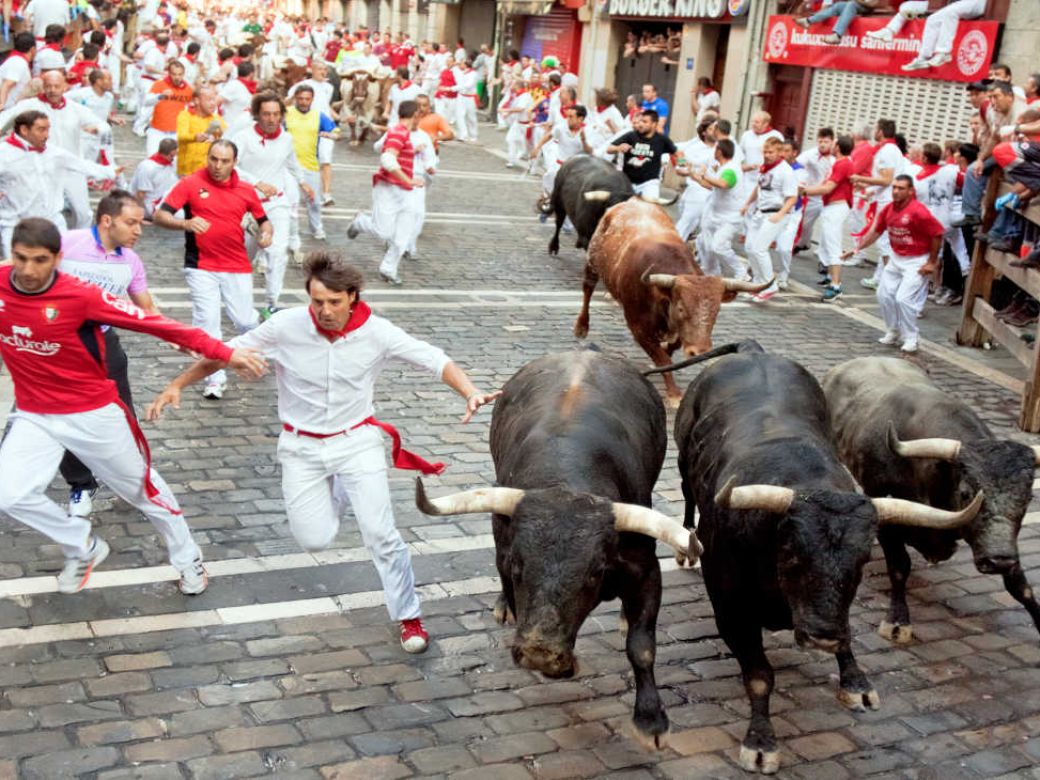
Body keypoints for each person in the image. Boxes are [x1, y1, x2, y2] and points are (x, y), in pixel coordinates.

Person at [147, 253, 498, 649]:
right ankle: (339, 492)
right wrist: (178, 384)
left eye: (334, 302)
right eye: (317, 302)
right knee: (313, 539)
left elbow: (434, 359)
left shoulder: (378, 332)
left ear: (352, 297)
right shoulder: (284, 326)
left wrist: (469, 391)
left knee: (381, 535)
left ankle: (409, 616)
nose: (325, 311)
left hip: (357, 442)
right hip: (300, 447)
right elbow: (226, 353)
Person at [0, 216, 264, 594]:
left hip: (91, 413)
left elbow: (157, 324)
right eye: (21, 258)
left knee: (143, 491)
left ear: (57, 259)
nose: (28, 270)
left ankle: (188, 559)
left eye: (39, 260)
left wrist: (224, 352)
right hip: (34, 414)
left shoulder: (81, 296)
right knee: (9, 494)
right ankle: (82, 545)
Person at [55, 191, 159, 516]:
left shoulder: (131, 261)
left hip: (104, 345)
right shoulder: (67, 242)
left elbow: (147, 307)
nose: (139, 230)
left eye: (140, 223)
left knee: (122, 416)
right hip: (59, 346)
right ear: (106, 220)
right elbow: (20, 266)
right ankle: (81, 484)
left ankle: (134, 479)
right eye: (131, 223)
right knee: (59, 420)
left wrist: (178, 336)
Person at [153, 139, 272, 400]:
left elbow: (264, 222)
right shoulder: (190, 183)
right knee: (207, 323)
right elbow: (160, 215)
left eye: (224, 161)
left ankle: (260, 347)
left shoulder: (246, 190)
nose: (217, 166)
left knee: (244, 320)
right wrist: (185, 224)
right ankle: (214, 380)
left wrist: (266, 236)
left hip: (237, 264)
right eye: (213, 159)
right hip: (200, 265)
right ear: (207, 157)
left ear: (234, 162)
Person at [230, 92, 313, 317]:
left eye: (276, 114)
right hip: (246, 207)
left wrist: (303, 182)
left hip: (277, 204)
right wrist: (256, 182)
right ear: (257, 115)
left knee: (277, 252)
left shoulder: (286, 139)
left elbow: (292, 162)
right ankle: (238, 300)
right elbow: (231, 166)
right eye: (266, 114)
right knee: (244, 257)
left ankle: (271, 303)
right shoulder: (243, 137)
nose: (272, 119)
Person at [845, 175, 945, 352]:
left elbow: (937, 234)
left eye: (901, 188)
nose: (896, 191)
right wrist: (856, 249)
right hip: (897, 257)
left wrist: (931, 262)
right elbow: (875, 232)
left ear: (910, 191)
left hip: (917, 260)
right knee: (884, 294)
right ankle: (893, 330)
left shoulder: (918, 211)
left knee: (903, 299)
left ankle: (911, 337)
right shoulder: (888, 209)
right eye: (894, 187)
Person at [0, 110, 115, 256]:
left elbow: (81, 165)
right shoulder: (3, 153)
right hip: (15, 224)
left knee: (66, 261)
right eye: (41, 130)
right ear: (24, 130)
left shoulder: (54, 153)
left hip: (52, 221)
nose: (47, 135)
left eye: (48, 129)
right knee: (13, 269)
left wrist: (111, 172)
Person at [346, 99, 424, 287]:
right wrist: (408, 179)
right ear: (415, 115)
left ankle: (388, 269)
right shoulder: (398, 132)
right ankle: (361, 222)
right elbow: (388, 159)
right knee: (384, 231)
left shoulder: (397, 133)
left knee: (404, 234)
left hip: (407, 192)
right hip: (388, 188)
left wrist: (410, 152)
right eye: (419, 114)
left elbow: (379, 147)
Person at [740, 136, 798, 302]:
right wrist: (747, 204)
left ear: (779, 152)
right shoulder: (765, 168)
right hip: (760, 212)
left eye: (771, 152)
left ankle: (770, 285)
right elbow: (758, 187)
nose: (767, 154)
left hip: (776, 213)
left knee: (759, 248)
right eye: (765, 151)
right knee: (750, 247)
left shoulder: (785, 171)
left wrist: (780, 214)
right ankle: (758, 283)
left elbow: (792, 198)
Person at [851, 118, 904, 290]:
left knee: (885, 244)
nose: (874, 131)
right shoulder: (889, 149)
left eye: (876, 128)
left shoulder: (887, 150)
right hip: (885, 199)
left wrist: (861, 178)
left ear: (880, 131)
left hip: (887, 202)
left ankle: (892, 282)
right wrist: (868, 186)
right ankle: (880, 278)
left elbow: (887, 179)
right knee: (885, 242)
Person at [802, 135, 856, 302]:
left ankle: (836, 285)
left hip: (836, 207)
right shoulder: (840, 163)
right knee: (826, 244)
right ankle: (830, 277)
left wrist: (804, 191)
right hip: (832, 206)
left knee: (832, 245)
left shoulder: (843, 163)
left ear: (838, 147)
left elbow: (828, 188)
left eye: (834, 143)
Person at [285, 84, 336, 243]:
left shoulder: (318, 116)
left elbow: (335, 130)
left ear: (312, 99)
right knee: (287, 201)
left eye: (307, 99)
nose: (303, 102)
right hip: (288, 166)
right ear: (295, 98)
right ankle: (287, 231)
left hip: (310, 164)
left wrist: (331, 134)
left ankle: (317, 227)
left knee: (313, 200)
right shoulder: (286, 113)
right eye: (300, 98)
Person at [690, 138, 745, 278]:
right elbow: (712, 186)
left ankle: (741, 272)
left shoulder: (731, 169)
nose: (713, 152)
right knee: (704, 243)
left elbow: (723, 184)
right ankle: (712, 272)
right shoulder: (723, 168)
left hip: (730, 217)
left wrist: (705, 174)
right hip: (716, 214)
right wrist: (694, 175)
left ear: (719, 152)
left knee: (719, 246)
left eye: (715, 149)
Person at [287, 61, 339, 205]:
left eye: (325, 70)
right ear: (313, 70)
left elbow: (325, 105)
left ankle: (327, 194)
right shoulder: (301, 86)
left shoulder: (329, 87)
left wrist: (336, 116)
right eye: (320, 69)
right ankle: (300, 188)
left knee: (326, 159)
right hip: (305, 125)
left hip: (325, 126)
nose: (323, 72)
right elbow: (287, 102)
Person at [529, 104, 593, 215]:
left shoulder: (588, 131)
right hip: (560, 165)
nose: (568, 119)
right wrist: (537, 148)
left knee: (572, 195)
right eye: (567, 116)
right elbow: (549, 136)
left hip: (576, 169)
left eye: (571, 117)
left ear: (580, 119)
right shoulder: (561, 128)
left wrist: (584, 141)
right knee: (549, 177)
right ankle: (547, 202)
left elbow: (590, 152)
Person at [606, 109, 677, 199]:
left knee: (650, 208)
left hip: (649, 184)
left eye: (644, 122)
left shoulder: (662, 140)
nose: (640, 124)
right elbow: (609, 149)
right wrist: (618, 148)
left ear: (654, 124)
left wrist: (682, 164)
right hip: (627, 182)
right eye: (640, 121)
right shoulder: (631, 136)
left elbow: (678, 154)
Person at [896, 0, 986, 71]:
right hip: (963, 3)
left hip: (979, 2)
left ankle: (943, 53)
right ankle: (923, 58)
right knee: (932, 19)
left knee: (950, 13)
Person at [673, 119, 716, 241]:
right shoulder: (694, 147)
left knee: (691, 223)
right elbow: (680, 164)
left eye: (716, 129)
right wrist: (688, 170)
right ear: (704, 133)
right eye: (711, 129)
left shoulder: (721, 148)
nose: (715, 132)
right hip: (694, 189)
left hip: (711, 191)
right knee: (687, 222)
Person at [795, 127, 835, 252]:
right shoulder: (810, 154)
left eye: (826, 142)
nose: (823, 144)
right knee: (805, 223)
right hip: (812, 195)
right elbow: (797, 164)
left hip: (828, 197)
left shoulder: (835, 159)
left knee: (827, 227)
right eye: (820, 141)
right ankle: (804, 243)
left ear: (832, 142)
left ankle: (824, 255)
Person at [144, 60, 195, 156]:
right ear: (169, 73)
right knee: (152, 157)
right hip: (157, 130)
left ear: (183, 74)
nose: (177, 77)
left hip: (176, 132)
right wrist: (159, 96)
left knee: (174, 163)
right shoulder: (160, 84)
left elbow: (191, 109)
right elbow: (146, 102)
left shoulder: (188, 89)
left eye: (180, 74)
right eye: (174, 74)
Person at [175, 85, 226, 177]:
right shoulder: (186, 116)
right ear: (196, 101)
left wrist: (218, 137)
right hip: (187, 172)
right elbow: (181, 136)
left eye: (214, 100)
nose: (213, 104)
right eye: (209, 100)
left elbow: (226, 136)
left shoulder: (216, 119)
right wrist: (195, 137)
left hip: (208, 173)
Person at [130, 137, 179, 219]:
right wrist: (139, 216)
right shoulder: (147, 167)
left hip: (163, 201)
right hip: (150, 207)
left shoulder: (171, 162)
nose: (174, 158)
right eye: (172, 156)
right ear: (166, 153)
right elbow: (140, 194)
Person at [796, 2, 865, 45]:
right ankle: (808, 21)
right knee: (838, 5)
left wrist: (858, 1)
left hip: (865, 7)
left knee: (851, 4)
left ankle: (837, 36)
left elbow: (873, 5)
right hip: (857, 4)